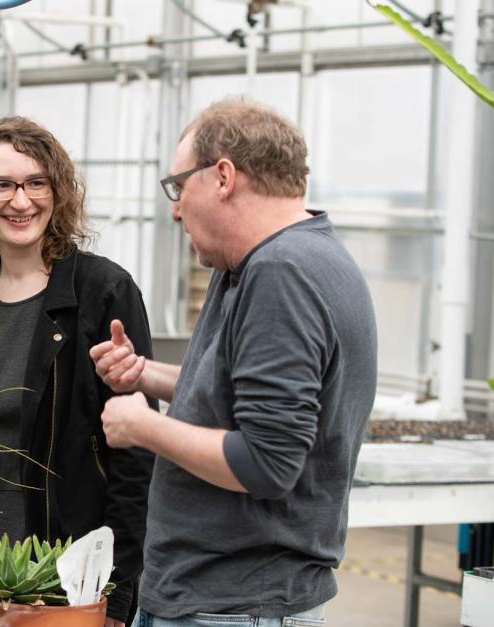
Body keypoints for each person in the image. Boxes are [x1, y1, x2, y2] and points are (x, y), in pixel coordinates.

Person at [89, 98, 377, 627]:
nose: (175, 210)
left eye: (179, 186)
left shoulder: (282, 273)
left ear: (223, 175)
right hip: (214, 596)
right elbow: (237, 396)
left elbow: (267, 462)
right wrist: (145, 374)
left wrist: (145, 426)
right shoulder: (265, 261)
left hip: (235, 604)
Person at [0, 116, 157, 627]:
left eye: (36, 182)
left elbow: (136, 454)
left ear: (57, 192)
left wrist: (119, 594)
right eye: (2, 184)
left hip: (73, 577)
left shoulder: (102, 292)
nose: (21, 200)